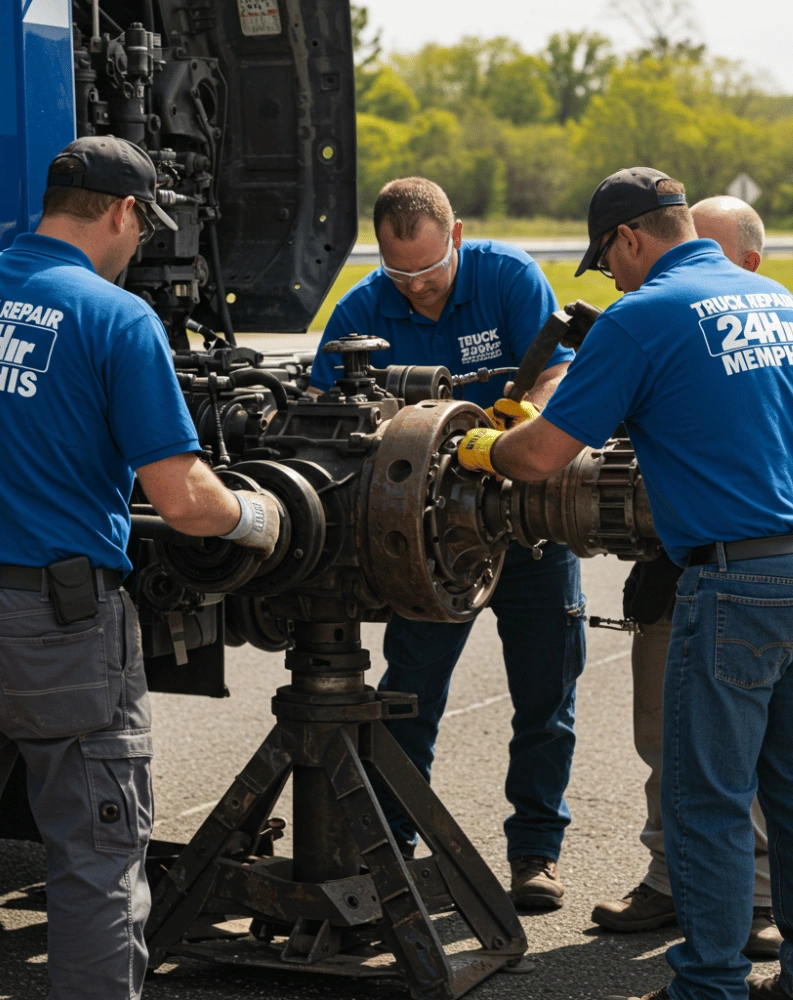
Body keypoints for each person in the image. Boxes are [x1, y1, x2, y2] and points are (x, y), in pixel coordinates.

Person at [0, 136, 278, 1000]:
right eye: (142, 226)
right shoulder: (114, 317)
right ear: (125, 213)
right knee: (95, 858)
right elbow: (185, 503)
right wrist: (262, 516)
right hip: (53, 629)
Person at [458, 167, 793, 1000]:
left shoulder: (643, 317)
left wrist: (483, 449)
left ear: (630, 239)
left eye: (609, 263)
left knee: (706, 802)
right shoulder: (778, 300)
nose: (614, 279)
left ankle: (706, 987)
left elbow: (539, 458)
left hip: (737, 586)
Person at [308, 177, 585, 910]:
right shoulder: (360, 310)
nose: (419, 288)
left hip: (530, 525)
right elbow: (322, 421)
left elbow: (559, 370)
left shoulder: (508, 277)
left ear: (456, 235)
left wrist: (523, 429)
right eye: (401, 274)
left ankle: (535, 853)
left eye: (430, 270)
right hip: (426, 541)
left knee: (546, 697)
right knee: (410, 697)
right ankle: (391, 847)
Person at [591, 195, 783, 961]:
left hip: (743, 571)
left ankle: (754, 905)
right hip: (672, 566)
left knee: (744, 757)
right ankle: (672, 880)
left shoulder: (756, 328)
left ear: (749, 262)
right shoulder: (670, 320)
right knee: (665, 738)